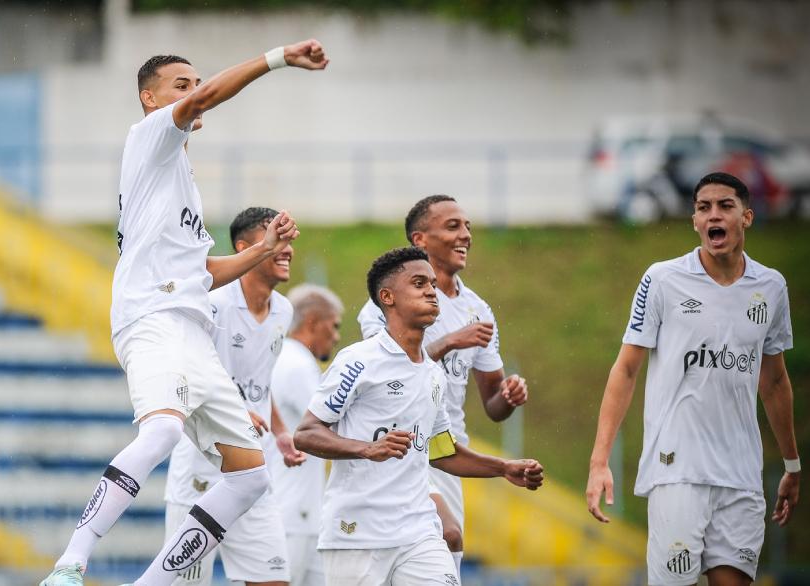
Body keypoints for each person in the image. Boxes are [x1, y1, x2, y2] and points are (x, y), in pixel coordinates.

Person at [40, 40, 328, 586]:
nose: (194, 93)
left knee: (251, 477)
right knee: (162, 435)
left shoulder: (178, 181)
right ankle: (70, 563)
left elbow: (201, 272)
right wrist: (279, 57)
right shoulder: (149, 137)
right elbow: (211, 97)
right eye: (182, 84)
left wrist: (262, 251)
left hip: (191, 329)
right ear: (150, 100)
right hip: (152, 317)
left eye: (196, 83)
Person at [586, 172, 800, 586]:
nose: (713, 215)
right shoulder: (662, 279)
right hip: (677, 470)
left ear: (747, 217)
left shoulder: (771, 288)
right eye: (704, 208)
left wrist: (792, 464)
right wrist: (600, 462)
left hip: (741, 473)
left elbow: (774, 383)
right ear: (695, 221)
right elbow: (626, 369)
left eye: (724, 206)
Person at [296, 247, 544, 586]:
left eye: (432, 283)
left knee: (450, 540)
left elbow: (442, 451)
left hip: (417, 531)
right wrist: (367, 448)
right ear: (388, 297)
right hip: (356, 533)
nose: (431, 290)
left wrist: (504, 468)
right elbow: (306, 433)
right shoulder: (358, 361)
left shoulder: (432, 373)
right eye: (418, 283)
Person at [355, 195, 528, 572]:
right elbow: (383, 371)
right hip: (395, 443)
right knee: (444, 533)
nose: (465, 234)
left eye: (467, 226)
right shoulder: (387, 301)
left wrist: (509, 395)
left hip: (446, 449)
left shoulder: (478, 310)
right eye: (453, 226)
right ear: (420, 240)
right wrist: (450, 340)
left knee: (447, 559)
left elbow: (494, 407)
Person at [165, 206, 306, 586]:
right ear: (243, 247)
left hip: (254, 472)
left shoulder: (283, 311)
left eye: (288, 238)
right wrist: (236, 410)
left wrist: (279, 431)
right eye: (273, 236)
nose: (287, 248)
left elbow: (260, 381)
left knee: (274, 581)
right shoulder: (213, 303)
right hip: (201, 471)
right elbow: (183, 374)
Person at [270, 283, 344, 586]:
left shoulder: (283, 357)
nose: (337, 336)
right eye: (334, 325)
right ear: (313, 322)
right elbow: (332, 426)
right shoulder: (298, 364)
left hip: (301, 510)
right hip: (292, 512)